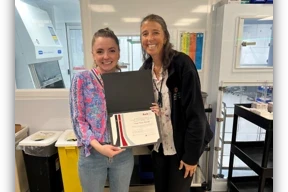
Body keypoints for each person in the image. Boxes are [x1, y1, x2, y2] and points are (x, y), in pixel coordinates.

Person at [69, 28, 157, 192]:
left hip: (122, 154)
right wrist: (99, 147)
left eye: (111, 50)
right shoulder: (81, 79)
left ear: (118, 53)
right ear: (93, 54)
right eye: (100, 51)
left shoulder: (127, 81)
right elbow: (78, 120)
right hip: (92, 155)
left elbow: (136, 111)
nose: (106, 56)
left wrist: (151, 112)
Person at [139, 14, 214, 192]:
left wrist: (191, 157)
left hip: (181, 149)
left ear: (165, 36)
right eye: (144, 34)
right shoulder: (145, 71)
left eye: (155, 32)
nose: (149, 38)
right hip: (159, 148)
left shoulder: (182, 65)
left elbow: (196, 115)